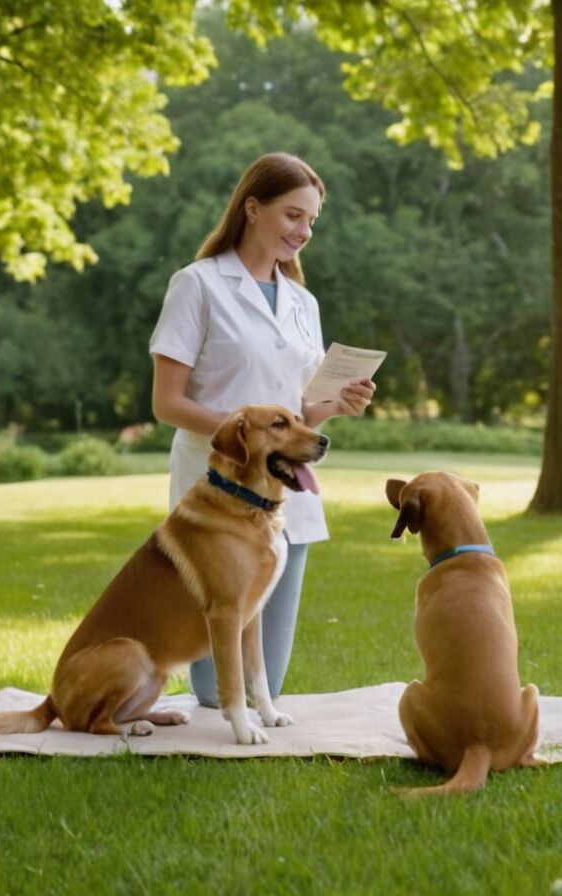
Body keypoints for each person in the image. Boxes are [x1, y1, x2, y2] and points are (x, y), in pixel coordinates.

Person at [149, 152, 376, 707]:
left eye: (312, 222)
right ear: (253, 208)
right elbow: (167, 402)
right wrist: (244, 437)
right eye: (294, 216)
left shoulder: (303, 302)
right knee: (211, 691)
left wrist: (333, 406)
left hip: (286, 490)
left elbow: (298, 410)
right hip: (217, 495)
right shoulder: (197, 285)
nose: (304, 231)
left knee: (267, 687)